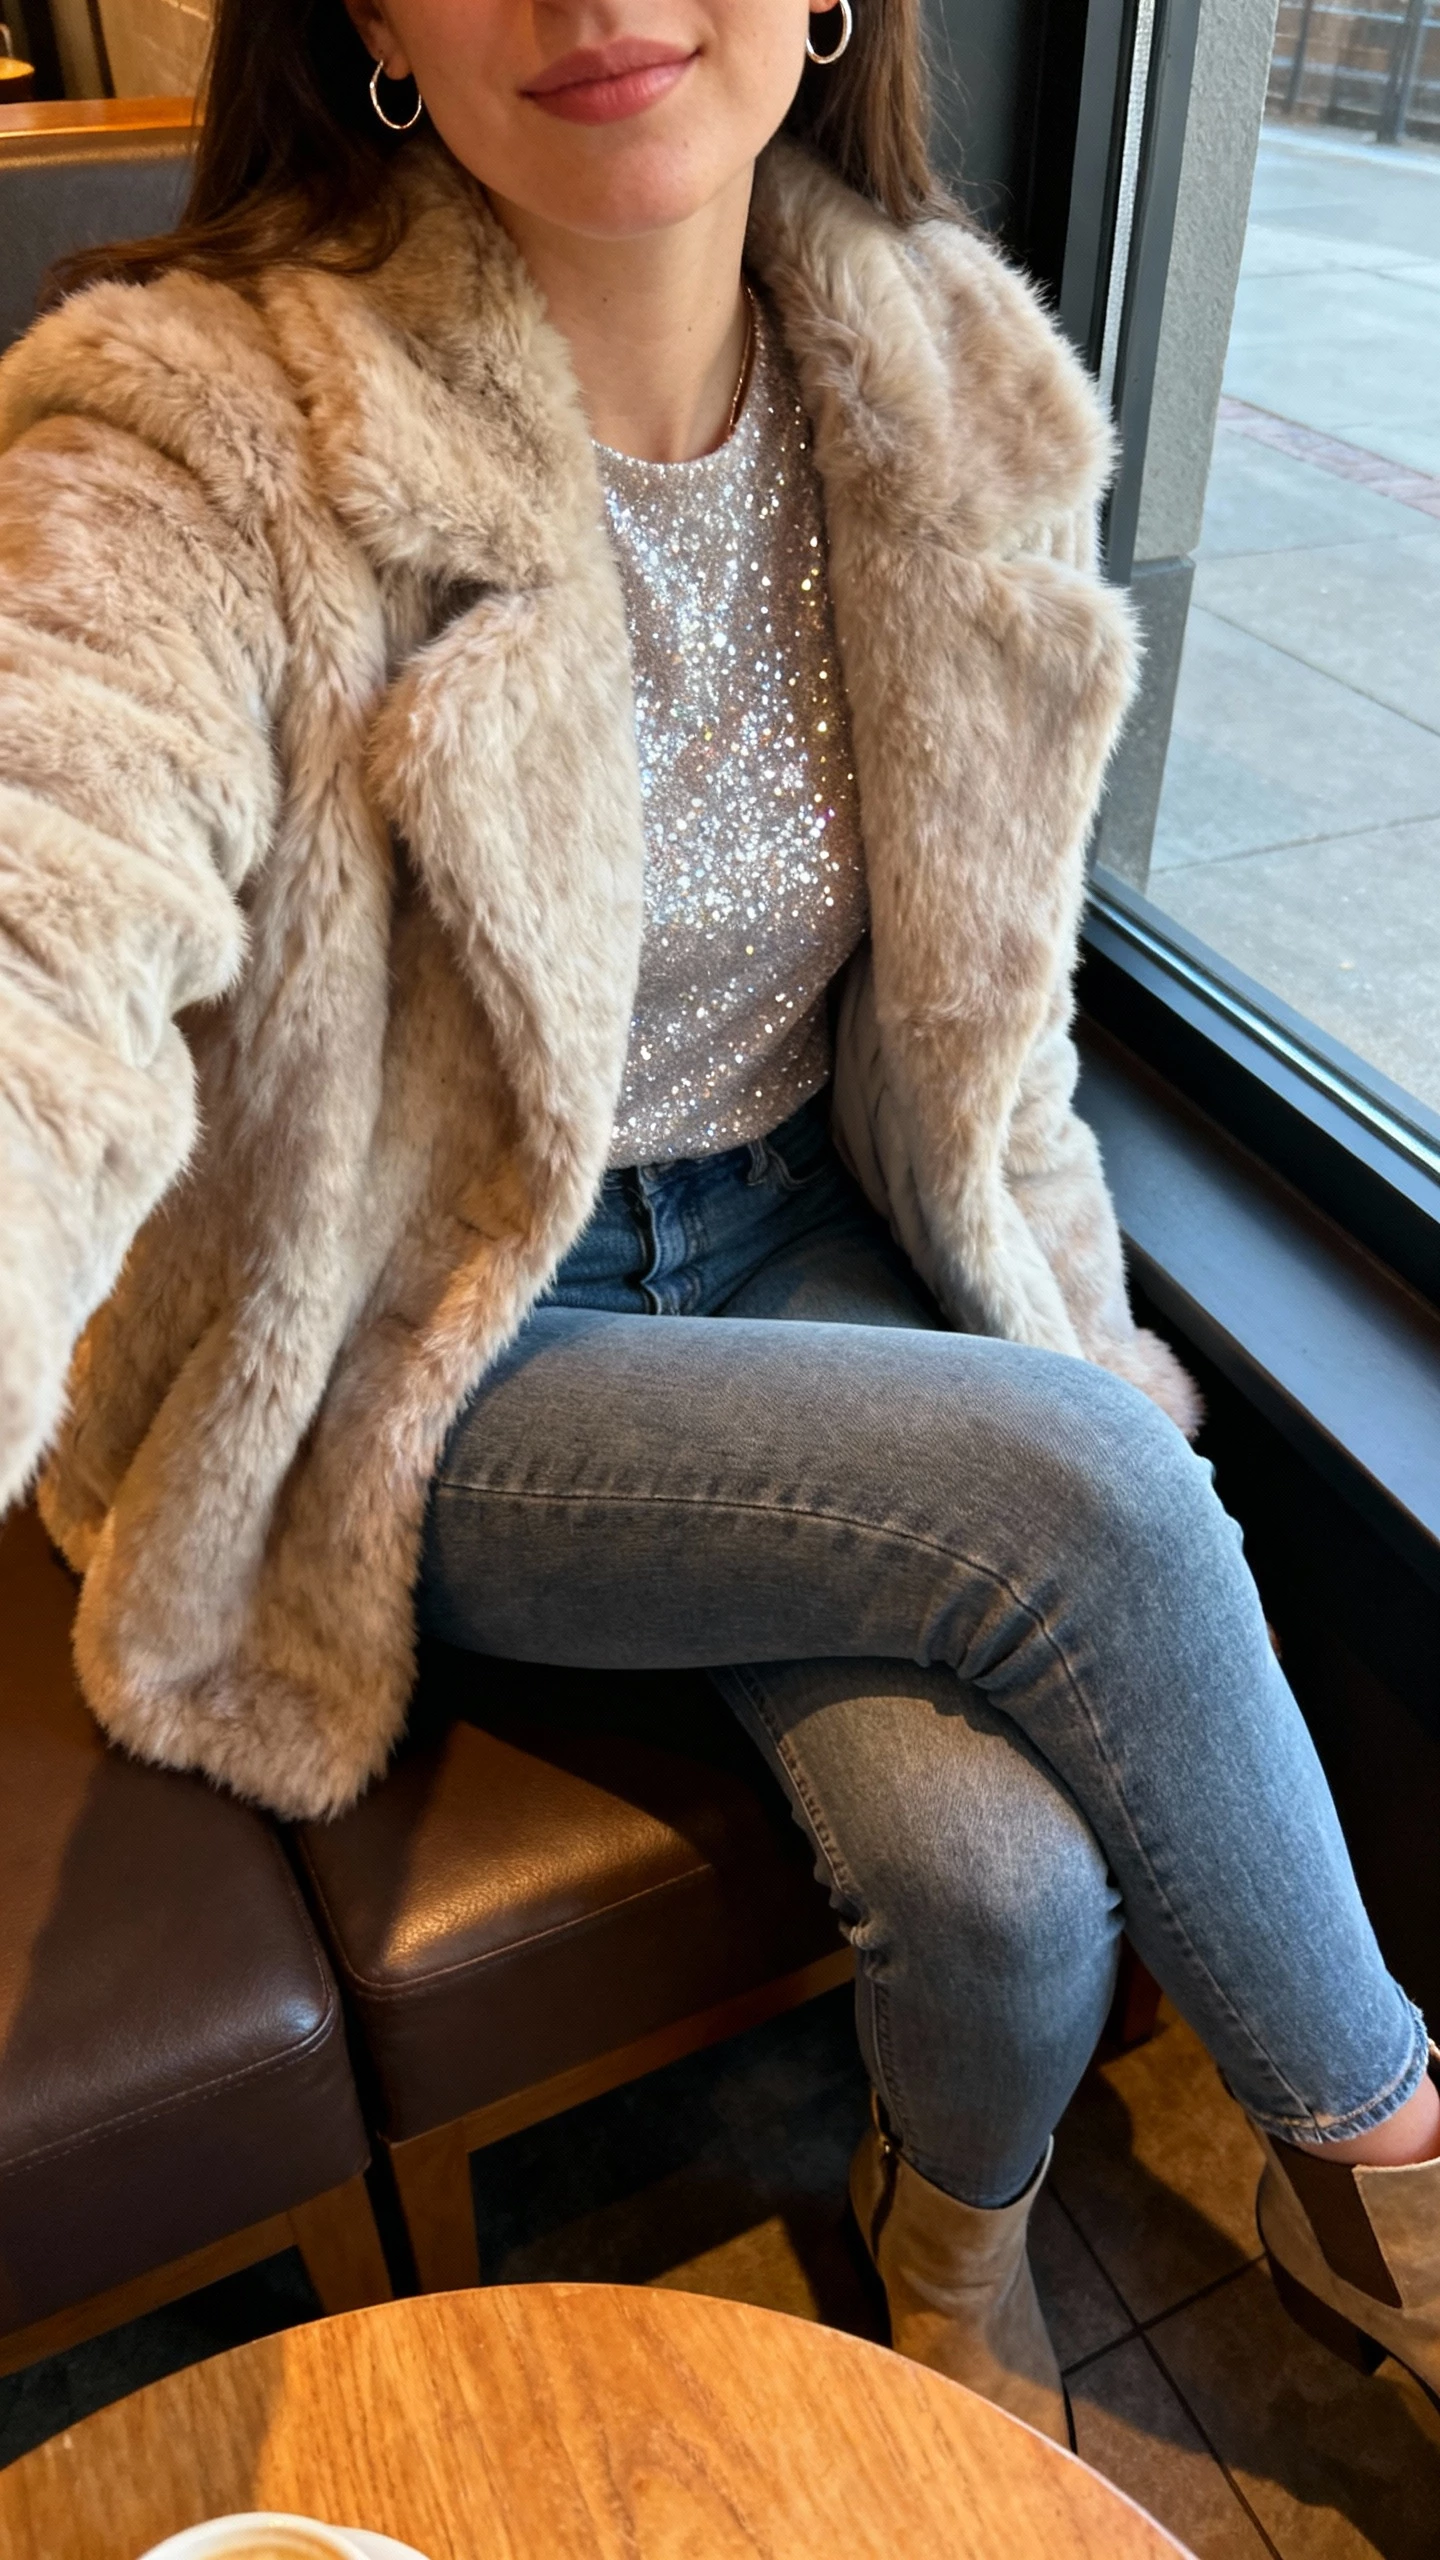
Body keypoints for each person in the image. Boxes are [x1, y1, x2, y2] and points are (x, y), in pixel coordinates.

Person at [0, 0, 1436, 2443]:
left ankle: (948, 2260)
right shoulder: (203, 429)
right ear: (366, 14)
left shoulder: (947, 383)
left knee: (1006, 1889)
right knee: (1092, 1482)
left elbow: (1005, 1024)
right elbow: (49, 894)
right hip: (422, 1338)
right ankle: (1405, 2191)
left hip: (789, 1231)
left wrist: (1045, 1284)